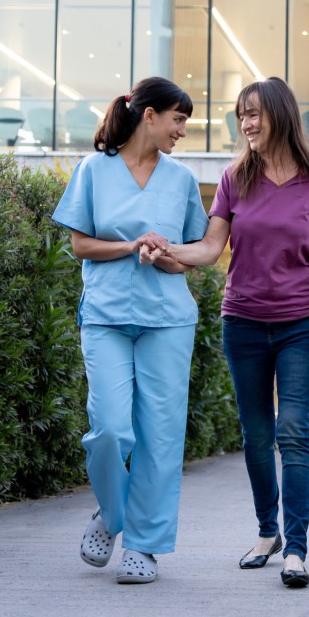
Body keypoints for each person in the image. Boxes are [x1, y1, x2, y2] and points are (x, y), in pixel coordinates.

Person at [149, 77, 309, 589]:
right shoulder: (235, 177)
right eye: (241, 115)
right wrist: (166, 250)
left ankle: (297, 549)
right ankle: (267, 533)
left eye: (255, 113)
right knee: (256, 436)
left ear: (280, 113)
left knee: (292, 432)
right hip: (243, 322)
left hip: (301, 322)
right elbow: (211, 250)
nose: (247, 124)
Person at [50, 77, 208, 585]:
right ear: (149, 116)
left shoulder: (181, 179)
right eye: (178, 119)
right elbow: (78, 244)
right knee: (111, 429)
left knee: (160, 439)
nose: (183, 130)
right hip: (106, 316)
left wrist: (165, 259)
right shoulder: (94, 171)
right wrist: (129, 245)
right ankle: (113, 517)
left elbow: (190, 257)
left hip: (168, 319)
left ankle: (144, 546)